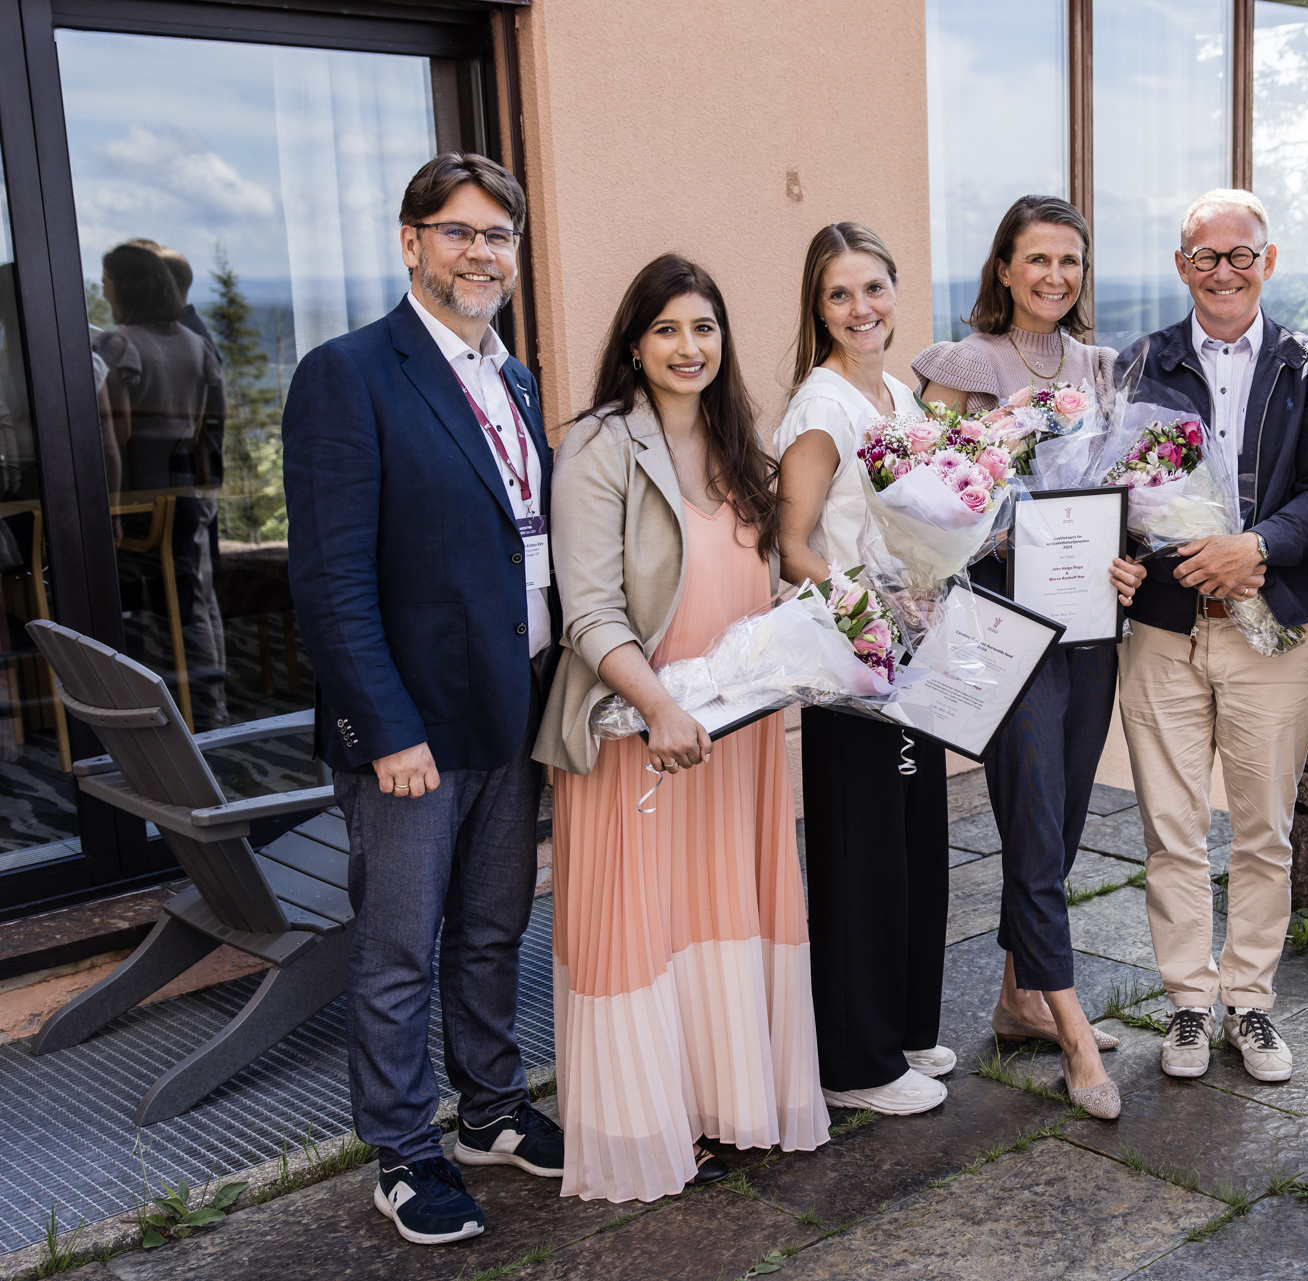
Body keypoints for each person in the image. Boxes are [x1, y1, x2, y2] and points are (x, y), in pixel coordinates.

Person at [285, 152, 563, 1245]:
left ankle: (490, 1109)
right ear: (412, 242)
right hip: (414, 730)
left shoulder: (518, 376)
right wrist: (384, 728)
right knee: (400, 949)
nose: (481, 252)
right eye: (459, 231)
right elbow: (331, 580)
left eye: (498, 236)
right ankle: (402, 1152)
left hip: (513, 708)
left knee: (494, 931)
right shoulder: (348, 373)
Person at [536, 253, 829, 1201]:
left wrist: (855, 623)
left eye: (703, 327)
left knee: (719, 910)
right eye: (667, 328)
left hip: (736, 739)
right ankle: (644, 1123)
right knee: (648, 923)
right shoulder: (596, 446)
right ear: (634, 343)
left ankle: (723, 1099)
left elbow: (775, 575)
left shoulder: (742, 444)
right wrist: (660, 706)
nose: (687, 346)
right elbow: (587, 610)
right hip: (641, 737)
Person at [1106, 190, 1308, 1084]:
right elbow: (1111, 483)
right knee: (1170, 830)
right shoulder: (1140, 365)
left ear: (1268, 263)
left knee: (1263, 832)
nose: (1224, 272)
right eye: (1206, 257)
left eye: (1242, 256)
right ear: (1181, 266)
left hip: (1270, 627)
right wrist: (1118, 559)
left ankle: (1249, 1003)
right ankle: (1189, 1005)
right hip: (1165, 629)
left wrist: (1259, 548)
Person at [913, 195, 1124, 1119]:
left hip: (1088, 623)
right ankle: (1076, 1035)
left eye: (1069, 261)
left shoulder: (1104, 367)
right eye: (1035, 259)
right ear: (1003, 267)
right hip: (1002, 625)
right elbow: (916, 496)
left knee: (1067, 816)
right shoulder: (965, 366)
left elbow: (1130, 488)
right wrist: (988, 522)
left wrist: (1130, 547)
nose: (1053, 277)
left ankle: (1017, 1000)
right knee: (1033, 823)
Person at [772, 223, 953, 1116]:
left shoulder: (895, 395)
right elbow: (791, 545)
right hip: (851, 661)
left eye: (873, 288)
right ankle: (855, 1061)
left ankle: (904, 1026)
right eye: (839, 294)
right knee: (863, 853)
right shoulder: (821, 407)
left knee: (915, 841)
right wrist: (870, 612)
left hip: (911, 655)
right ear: (819, 306)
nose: (860, 308)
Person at [93, 240, 229, 728]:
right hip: (184, 489)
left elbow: (118, 432)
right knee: (188, 599)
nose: (103, 287)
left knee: (145, 606)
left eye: (107, 279)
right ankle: (207, 707)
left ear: (124, 285)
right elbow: (207, 418)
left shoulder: (117, 343)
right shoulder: (194, 345)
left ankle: (154, 713)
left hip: (137, 491)